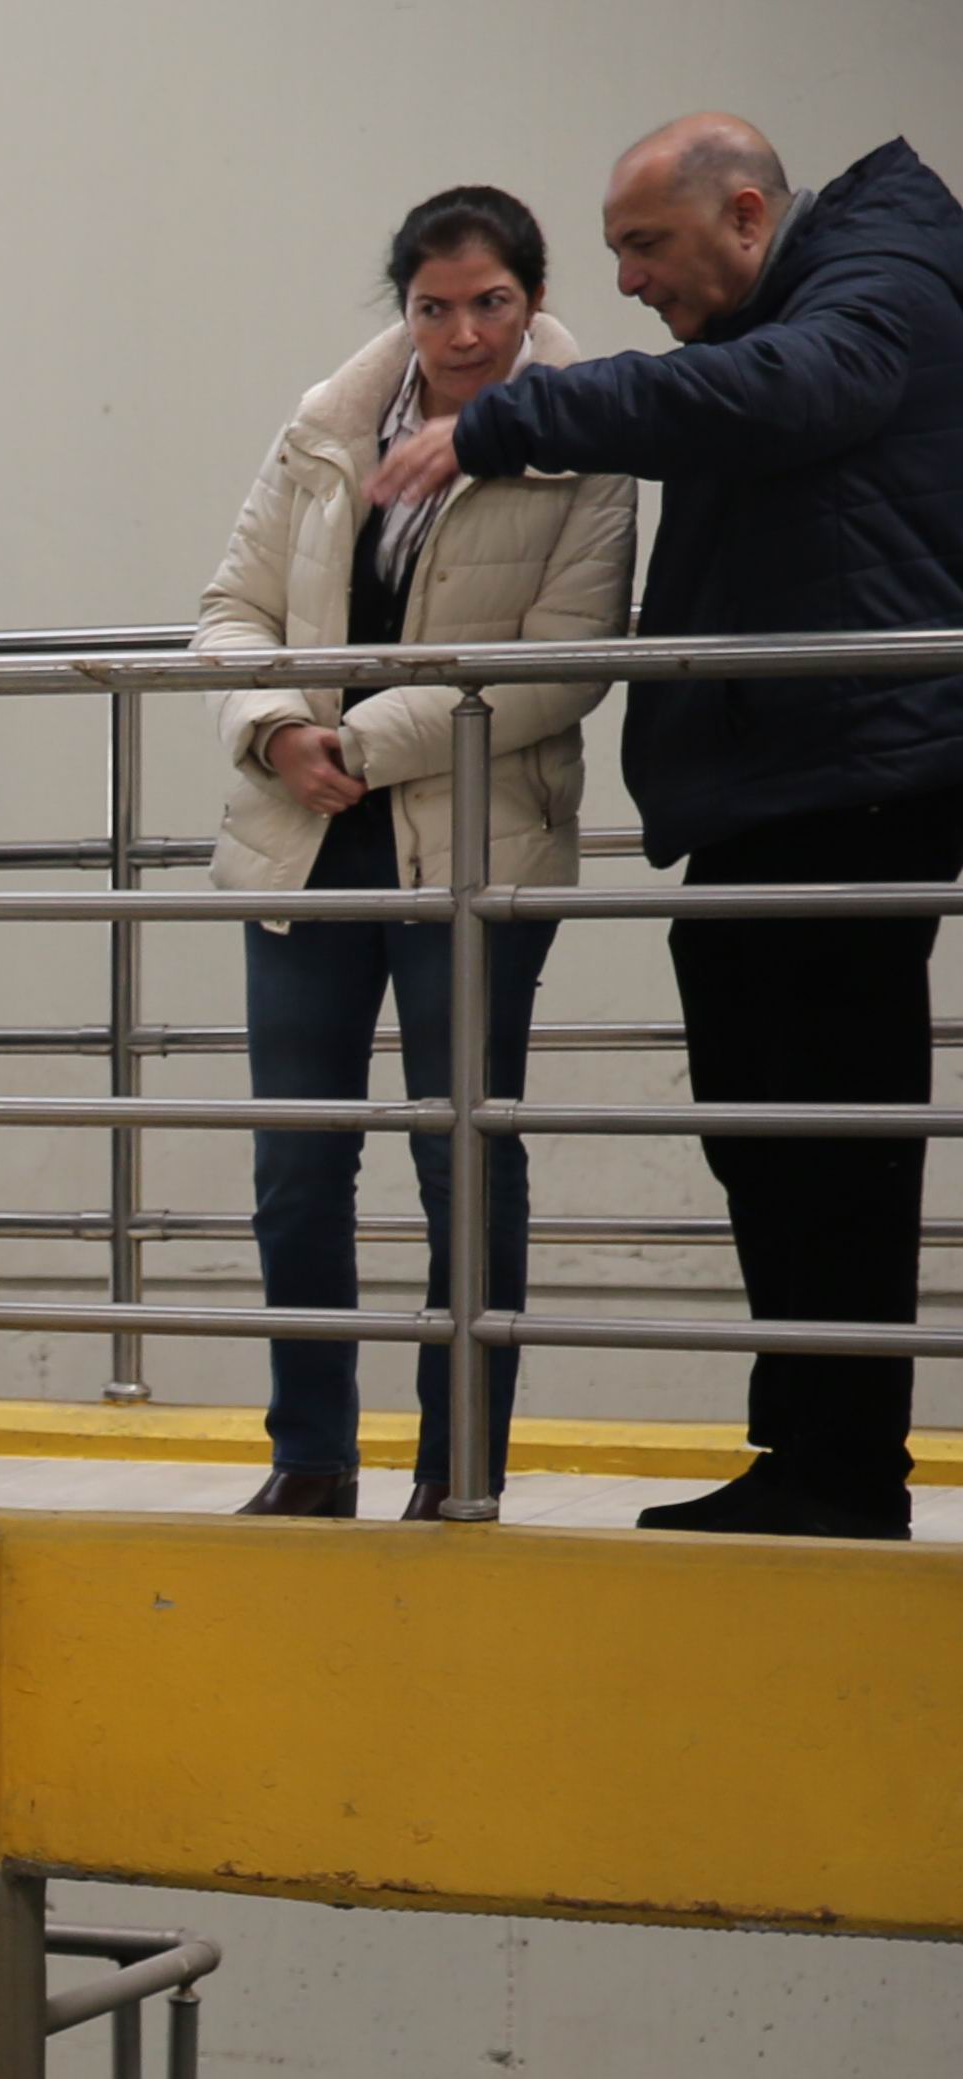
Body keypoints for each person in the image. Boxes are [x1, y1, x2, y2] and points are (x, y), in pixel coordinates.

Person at [391, 119, 963, 1541]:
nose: (633, 284)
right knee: (774, 1131)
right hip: (794, 779)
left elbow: (780, 393)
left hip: (851, 778)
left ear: (749, 214)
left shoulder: (877, 286)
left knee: (819, 1135)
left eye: (647, 247)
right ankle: (815, 1458)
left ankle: (839, 1471)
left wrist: (509, 420)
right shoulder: (824, 284)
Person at [196, 187, 636, 1520]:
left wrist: (365, 738)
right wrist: (275, 730)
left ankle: (460, 1470)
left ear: (535, 299)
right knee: (297, 1161)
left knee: (463, 1157)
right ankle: (312, 1456)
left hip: (472, 844)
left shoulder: (587, 438)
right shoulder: (328, 424)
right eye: (433, 306)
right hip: (308, 838)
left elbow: (568, 665)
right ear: (404, 305)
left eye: (490, 304)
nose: (462, 333)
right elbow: (229, 609)